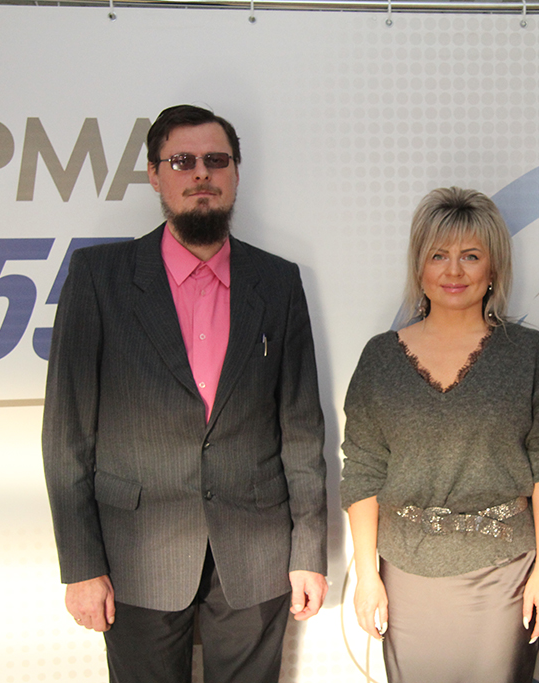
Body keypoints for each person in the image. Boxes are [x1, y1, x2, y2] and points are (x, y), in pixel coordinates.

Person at [42, 104, 328, 683]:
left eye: (216, 160)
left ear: (236, 173)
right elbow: (67, 437)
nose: (201, 173)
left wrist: (308, 553)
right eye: (182, 161)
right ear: (154, 174)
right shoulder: (99, 277)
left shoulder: (278, 281)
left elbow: (301, 430)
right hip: (134, 554)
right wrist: (81, 564)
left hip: (256, 553)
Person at [340, 187, 539, 683]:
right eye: (438, 256)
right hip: (405, 575)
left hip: (506, 572)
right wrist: (367, 577)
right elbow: (362, 471)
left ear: (493, 269)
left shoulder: (530, 354)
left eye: (470, 256)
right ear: (419, 267)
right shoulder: (380, 358)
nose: (454, 271)